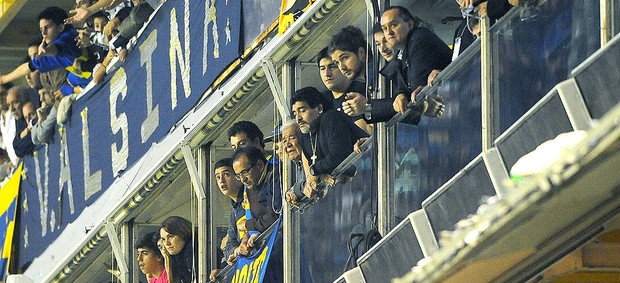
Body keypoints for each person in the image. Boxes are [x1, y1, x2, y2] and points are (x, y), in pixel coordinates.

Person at [291, 87, 368, 198]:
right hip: (351, 190)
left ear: (319, 108)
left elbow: (338, 156)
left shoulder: (331, 118)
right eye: (295, 113)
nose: (298, 118)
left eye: (302, 110)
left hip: (368, 173)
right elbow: (321, 168)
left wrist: (314, 171)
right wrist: (319, 175)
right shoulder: (303, 135)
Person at [231, 146, 283, 282]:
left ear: (260, 165)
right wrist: (246, 239)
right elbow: (256, 220)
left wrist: (248, 225)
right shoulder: (249, 186)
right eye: (238, 175)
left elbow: (275, 216)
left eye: (245, 172)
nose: (242, 179)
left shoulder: (276, 176)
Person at [0, 7, 83, 85]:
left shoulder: (71, 36)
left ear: (61, 27)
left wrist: (47, 51)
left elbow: (58, 47)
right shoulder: (51, 57)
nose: (43, 33)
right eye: (41, 29)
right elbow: (29, 66)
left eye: (47, 27)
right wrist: (4, 79)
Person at [316, 48, 371, 134]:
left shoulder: (360, 92)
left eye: (332, 67)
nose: (327, 73)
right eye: (322, 68)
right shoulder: (323, 101)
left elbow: (367, 132)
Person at [160, 216, 196, 283]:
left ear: (183, 233)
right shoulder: (176, 257)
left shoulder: (194, 250)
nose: (167, 243)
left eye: (170, 236)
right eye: (163, 239)